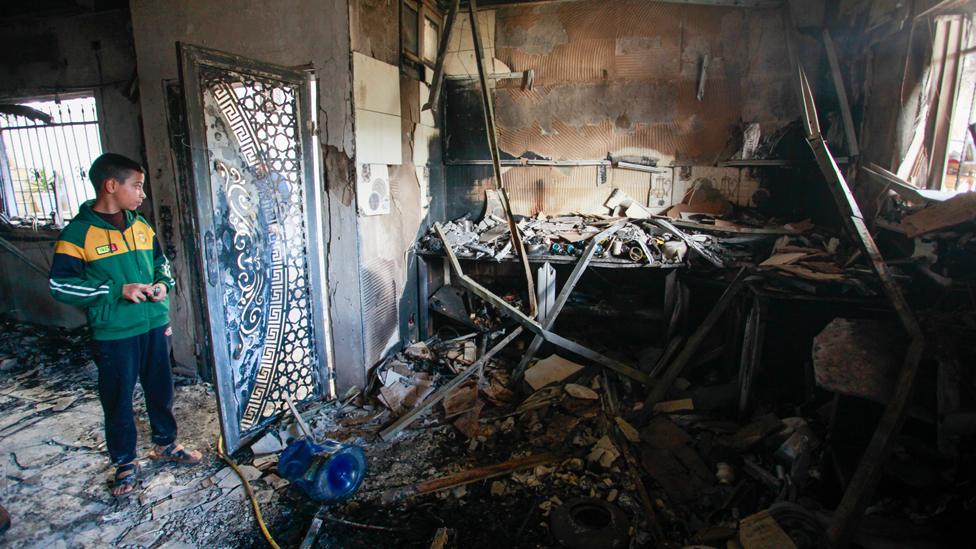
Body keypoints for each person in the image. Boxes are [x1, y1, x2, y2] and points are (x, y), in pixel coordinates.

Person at [48, 153, 201, 497]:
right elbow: (60, 285)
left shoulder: (141, 225)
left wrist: (163, 285)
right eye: (137, 186)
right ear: (111, 185)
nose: (142, 194)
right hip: (114, 332)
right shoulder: (78, 234)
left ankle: (165, 443)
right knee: (118, 398)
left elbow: (162, 265)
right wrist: (116, 290)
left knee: (161, 388)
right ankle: (125, 461)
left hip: (153, 322)